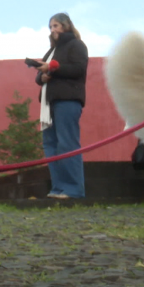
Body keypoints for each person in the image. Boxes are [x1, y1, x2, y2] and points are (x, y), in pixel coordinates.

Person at [34, 13, 88, 200]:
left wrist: (53, 68)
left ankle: (73, 188)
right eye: (50, 27)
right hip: (49, 103)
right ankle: (58, 187)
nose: (53, 30)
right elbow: (38, 77)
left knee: (67, 143)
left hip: (67, 100)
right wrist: (42, 76)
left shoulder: (76, 45)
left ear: (66, 26)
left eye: (56, 26)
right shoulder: (51, 50)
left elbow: (79, 69)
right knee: (50, 145)